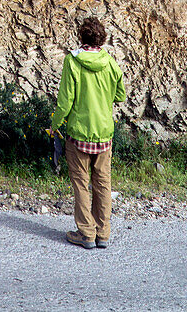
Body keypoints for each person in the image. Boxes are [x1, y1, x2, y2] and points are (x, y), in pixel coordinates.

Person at [47, 16, 126, 249]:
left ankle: (86, 233)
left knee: (81, 183)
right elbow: (120, 95)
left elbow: (65, 101)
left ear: (81, 36)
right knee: (103, 182)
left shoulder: (72, 61)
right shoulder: (110, 62)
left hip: (79, 133)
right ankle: (103, 233)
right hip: (104, 132)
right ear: (102, 39)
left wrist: (55, 124)